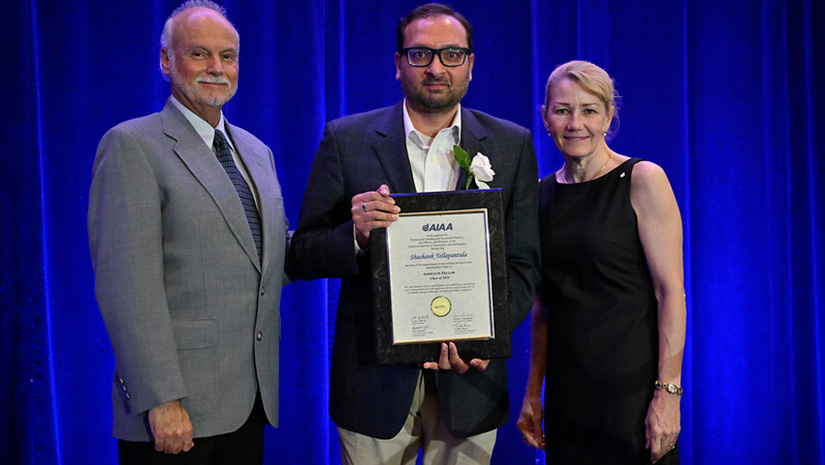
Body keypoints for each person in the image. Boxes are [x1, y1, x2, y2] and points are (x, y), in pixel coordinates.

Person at [287, 3, 541, 464]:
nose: (437, 67)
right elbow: (302, 252)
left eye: (452, 54)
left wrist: (484, 338)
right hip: (372, 382)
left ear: (471, 65)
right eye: (421, 54)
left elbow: (524, 264)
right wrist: (357, 236)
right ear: (398, 64)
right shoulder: (346, 140)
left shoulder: (511, 144)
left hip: (470, 381)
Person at [87, 1, 289, 463]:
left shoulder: (257, 152)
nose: (216, 68)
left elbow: (266, 255)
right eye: (199, 54)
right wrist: (160, 398)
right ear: (165, 61)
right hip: (176, 414)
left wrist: (355, 235)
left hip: (248, 402)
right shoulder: (132, 145)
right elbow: (126, 288)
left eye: (228, 56)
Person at [516, 60, 686, 464]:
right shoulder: (539, 196)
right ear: (545, 118)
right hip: (568, 395)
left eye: (589, 110)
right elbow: (543, 305)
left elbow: (671, 293)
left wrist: (668, 394)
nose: (576, 123)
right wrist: (532, 391)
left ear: (609, 116)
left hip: (632, 395)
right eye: (562, 110)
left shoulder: (643, 179)